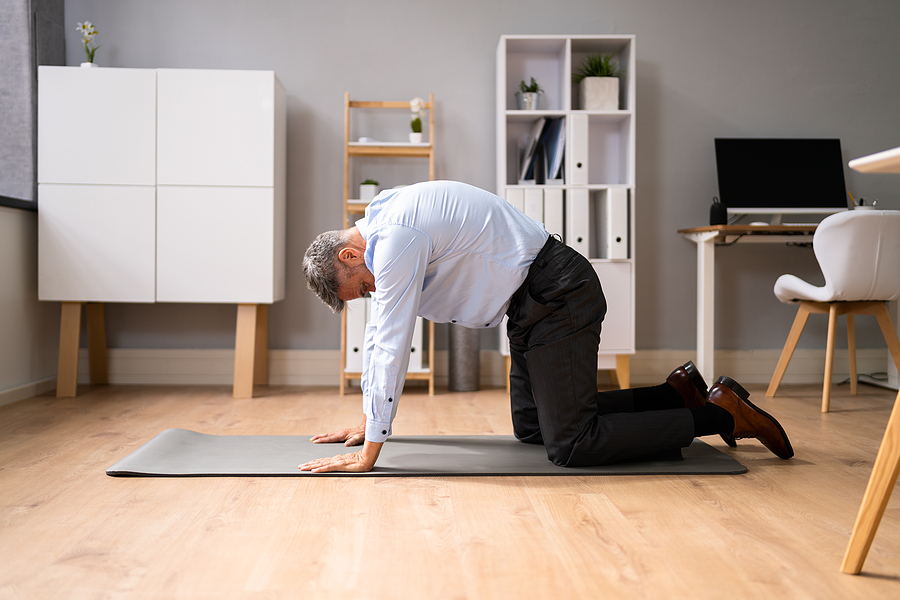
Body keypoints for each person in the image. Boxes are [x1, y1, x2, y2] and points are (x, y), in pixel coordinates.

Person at [300, 180, 793, 473]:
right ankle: (674, 395)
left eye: (361, 287)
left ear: (349, 254)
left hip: (558, 293)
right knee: (533, 427)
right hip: (532, 302)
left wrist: (372, 450)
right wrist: (368, 418)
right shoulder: (384, 216)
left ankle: (722, 416)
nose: (372, 293)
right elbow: (377, 334)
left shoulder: (394, 239)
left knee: (572, 444)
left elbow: (389, 341)